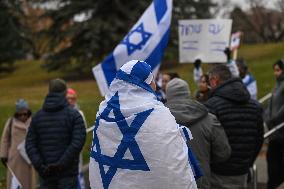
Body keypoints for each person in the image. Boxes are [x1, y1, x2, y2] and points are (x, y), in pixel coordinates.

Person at [89, 60, 198, 189]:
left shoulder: (103, 113)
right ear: (143, 83)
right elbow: (172, 165)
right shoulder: (157, 114)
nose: (155, 85)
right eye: (151, 80)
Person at [205, 65, 264, 189]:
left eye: (209, 81)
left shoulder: (212, 105)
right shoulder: (255, 106)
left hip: (218, 173)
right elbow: (259, 139)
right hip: (242, 172)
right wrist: (247, 163)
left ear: (214, 80)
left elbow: (207, 140)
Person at [165, 78, 231, 189]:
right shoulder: (209, 119)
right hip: (200, 182)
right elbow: (223, 153)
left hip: (169, 182)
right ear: (188, 93)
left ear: (168, 95)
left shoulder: (155, 121)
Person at [25, 78, 86, 189]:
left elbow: (29, 144)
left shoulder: (37, 117)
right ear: (64, 92)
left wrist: (40, 166)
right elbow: (78, 143)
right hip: (67, 173)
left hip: (46, 173)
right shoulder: (74, 115)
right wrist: (60, 165)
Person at [0, 99, 35, 189]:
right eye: (20, 114)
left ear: (28, 113)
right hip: (15, 159)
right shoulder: (11, 122)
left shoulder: (34, 122)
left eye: (25, 114)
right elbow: (5, 139)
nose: (23, 116)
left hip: (29, 158)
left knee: (29, 183)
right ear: (16, 114)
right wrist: (3, 155)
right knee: (15, 183)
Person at [264, 59, 284, 189]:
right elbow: (270, 105)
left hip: (281, 130)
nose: (276, 73)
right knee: (272, 160)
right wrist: (267, 118)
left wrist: (274, 119)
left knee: (276, 161)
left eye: (278, 70)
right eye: (275, 70)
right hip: (274, 131)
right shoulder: (277, 85)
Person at [66, 88, 87, 189]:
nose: (70, 101)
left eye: (72, 98)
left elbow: (83, 132)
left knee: (78, 175)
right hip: (64, 151)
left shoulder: (80, 113)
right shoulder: (62, 113)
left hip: (76, 150)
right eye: (68, 99)